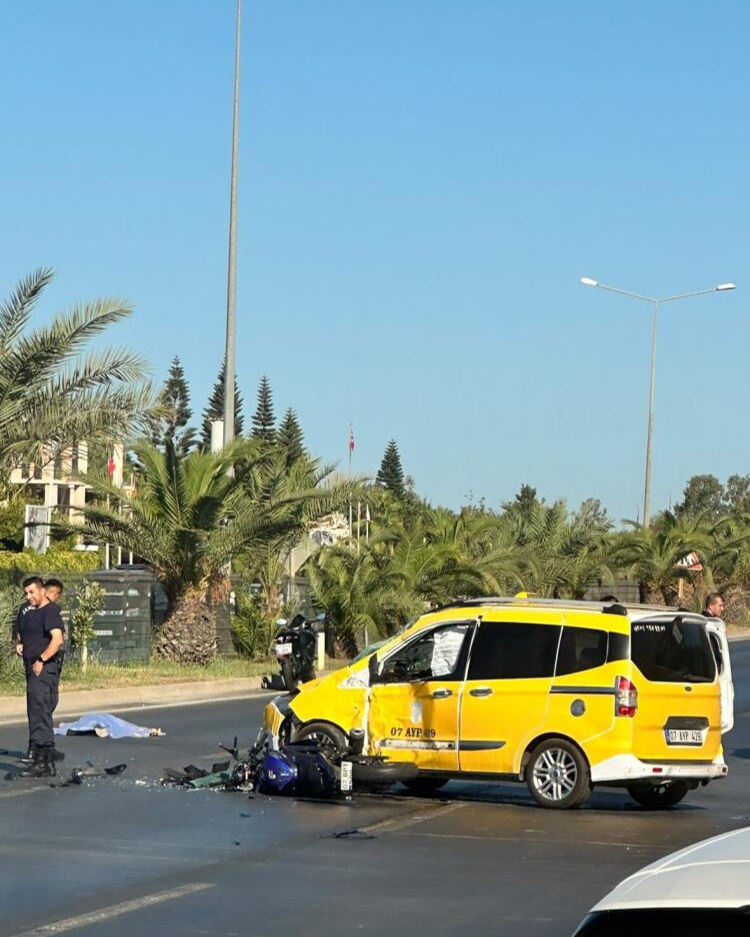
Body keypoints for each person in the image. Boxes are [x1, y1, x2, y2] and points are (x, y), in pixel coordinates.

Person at [15, 576, 65, 777]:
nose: (29, 597)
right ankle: (38, 756)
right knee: (34, 711)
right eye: (26, 593)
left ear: (42, 591)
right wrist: (21, 645)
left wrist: (41, 660)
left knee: (41, 711)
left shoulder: (50, 611)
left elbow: (57, 640)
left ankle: (44, 760)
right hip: (31, 668)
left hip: (43, 670)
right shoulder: (31, 613)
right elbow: (26, 636)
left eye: (32, 592)